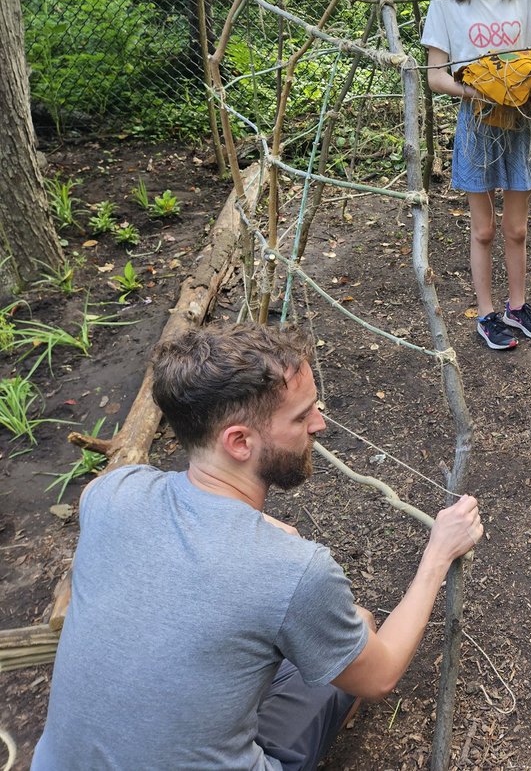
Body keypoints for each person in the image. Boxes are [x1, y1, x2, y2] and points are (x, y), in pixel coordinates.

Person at [33, 324, 483, 770]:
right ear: (239, 442)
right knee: (358, 631)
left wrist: (249, 527)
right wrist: (438, 554)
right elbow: (381, 675)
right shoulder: (295, 572)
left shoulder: (110, 493)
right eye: (301, 415)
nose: (319, 424)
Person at [421, 0, 531, 350]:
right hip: (478, 124)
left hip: (520, 122)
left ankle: (518, 309)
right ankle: (486, 314)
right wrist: (479, 87)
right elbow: (437, 76)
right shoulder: (446, 0)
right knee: (484, 228)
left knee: (517, 228)